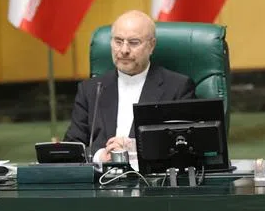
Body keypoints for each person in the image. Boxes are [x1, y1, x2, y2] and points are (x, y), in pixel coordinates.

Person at [63, 10, 195, 162]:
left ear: (151, 46)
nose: (124, 50)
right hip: (100, 180)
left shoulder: (177, 87)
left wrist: (132, 149)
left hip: (151, 181)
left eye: (133, 43)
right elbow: (72, 147)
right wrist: (100, 156)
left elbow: (185, 144)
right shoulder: (90, 90)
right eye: (118, 41)